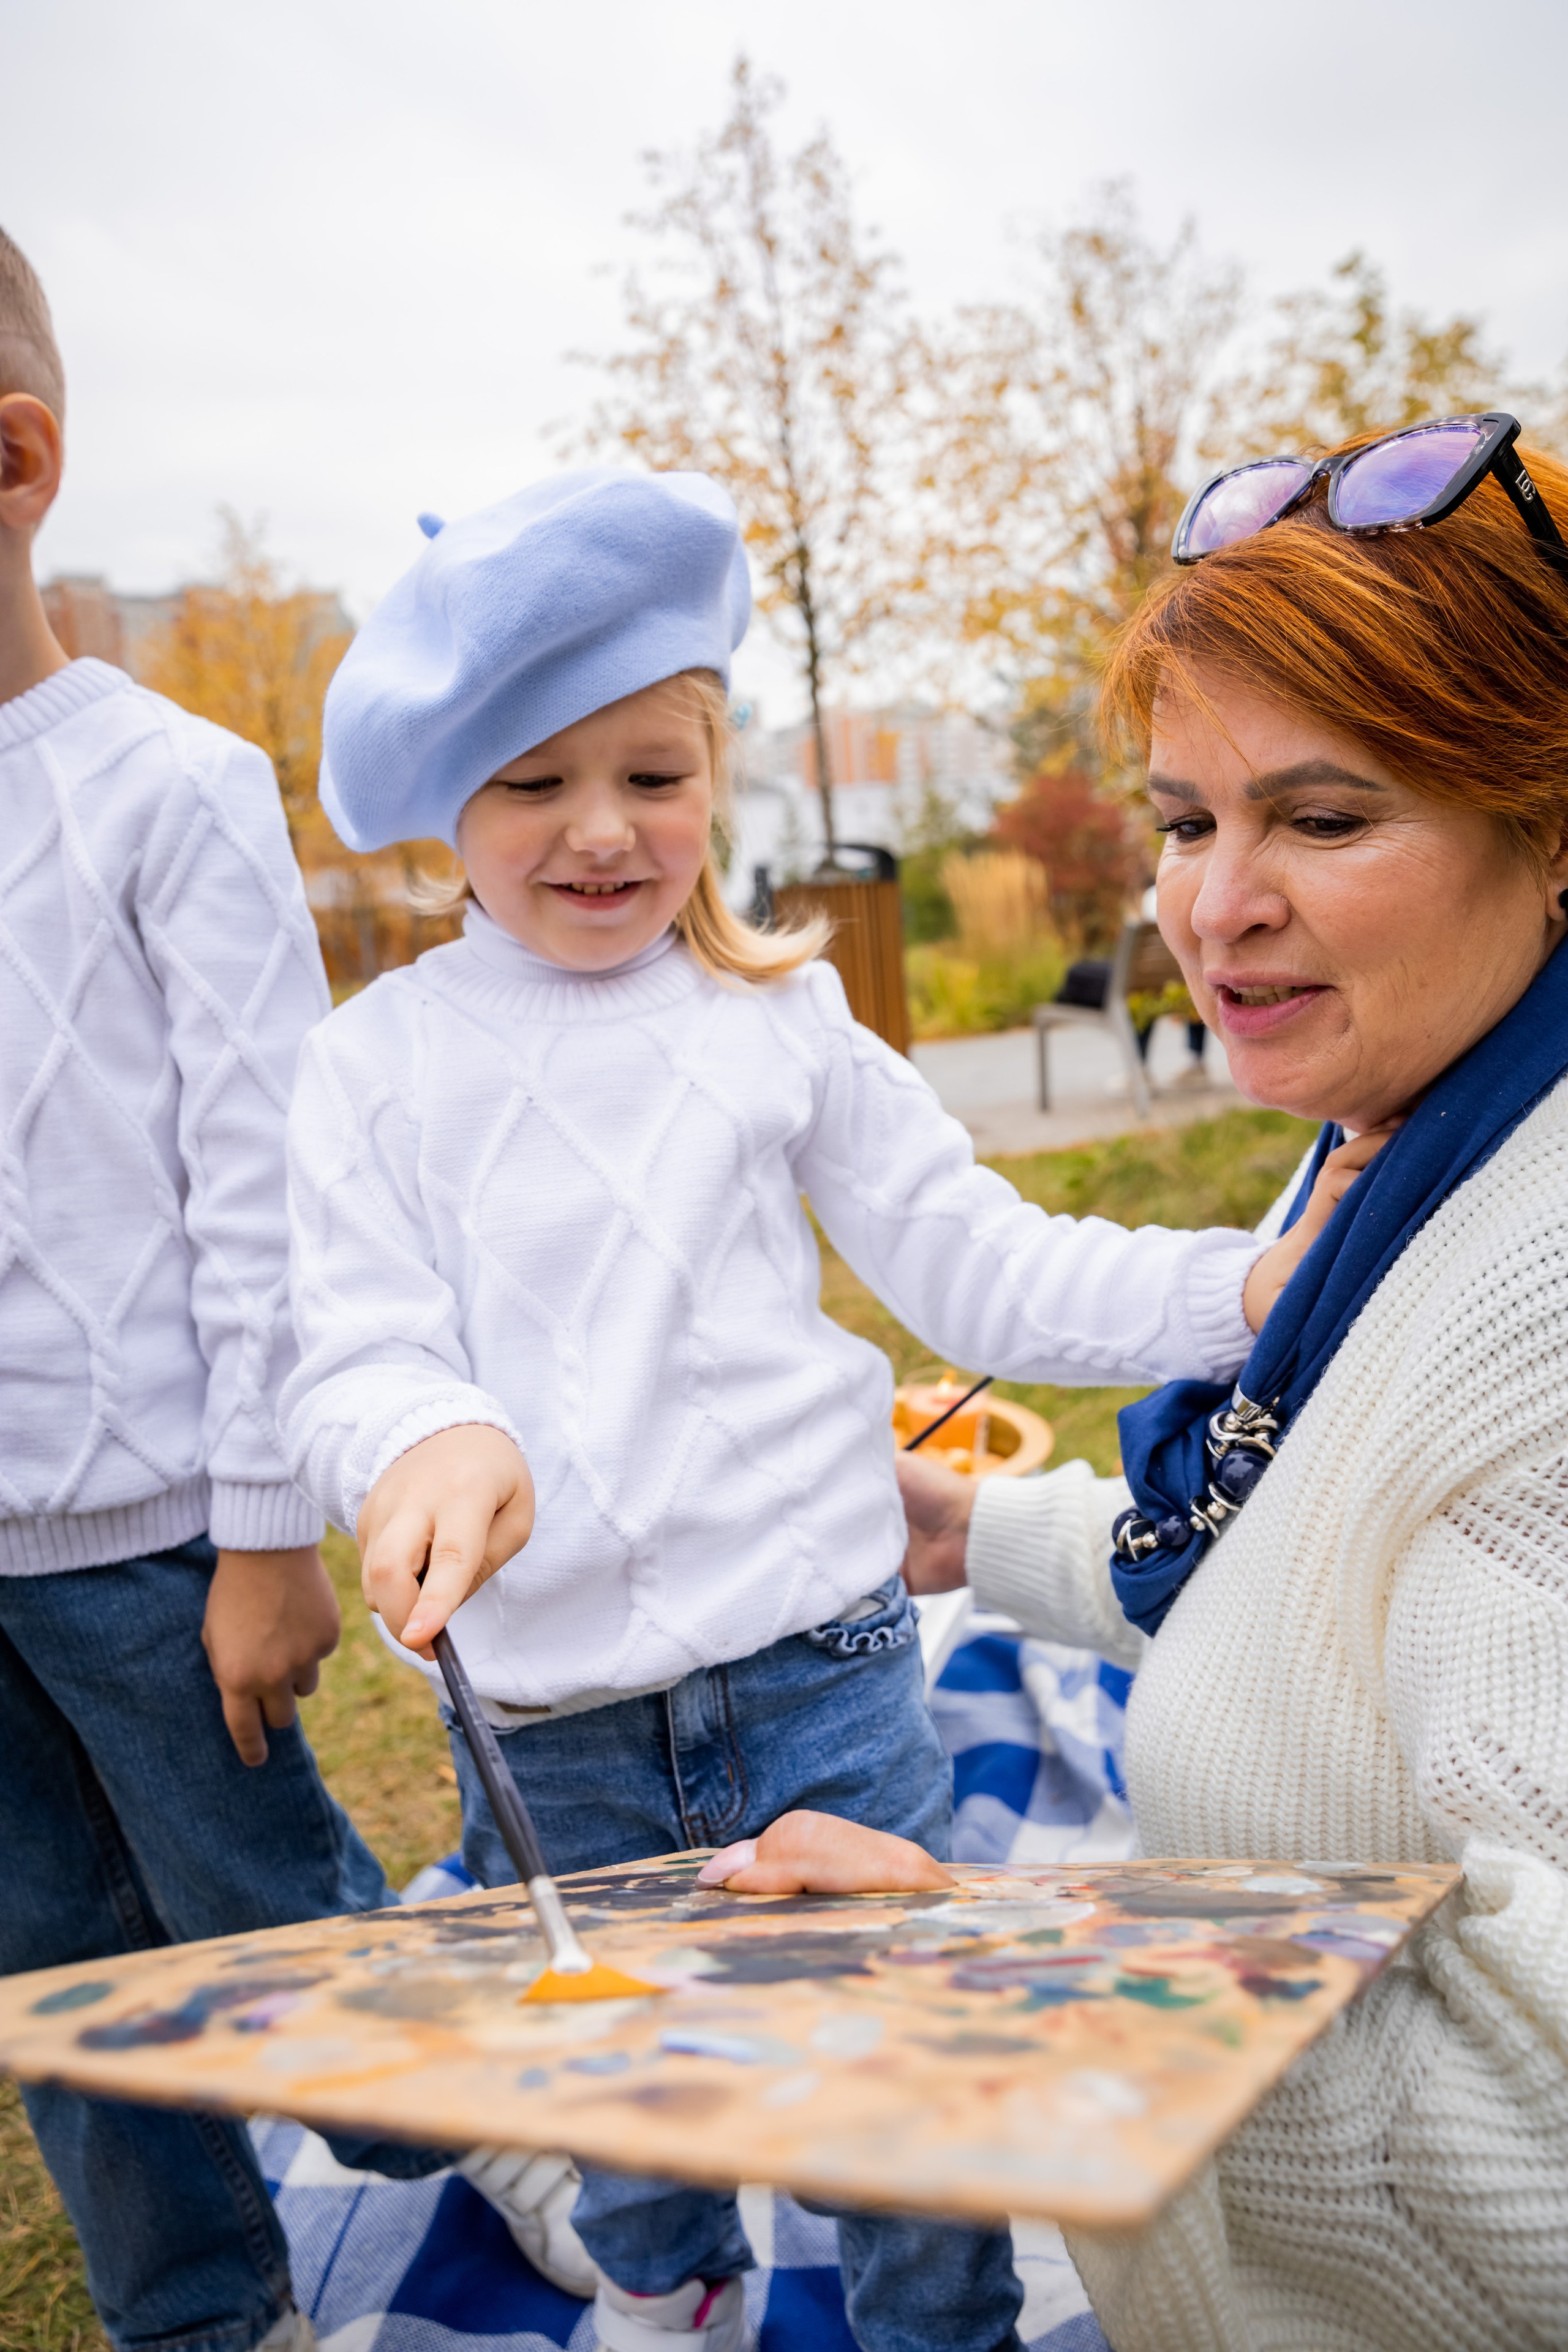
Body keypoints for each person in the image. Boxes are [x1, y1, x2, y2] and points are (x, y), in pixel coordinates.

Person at [277, 468, 1335, 2352]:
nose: (604, 832)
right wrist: (426, 1434)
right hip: (557, 1731)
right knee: (634, 2100)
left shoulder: (783, 1019)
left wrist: (1235, 1292)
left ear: (718, 776)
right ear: (447, 803)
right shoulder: (372, 1067)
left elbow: (981, 1263)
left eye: (654, 777)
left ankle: (944, 2330)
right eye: (537, 784)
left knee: (902, 2106)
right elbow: (351, 1349)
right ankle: (668, 2281)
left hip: (830, 1674)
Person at [729, 415, 1568, 2352]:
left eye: (1328, 818)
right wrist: (982, 1532)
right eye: (1190, 820)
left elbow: (1537, 2137)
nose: (1214, 908)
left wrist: (1002, 1976)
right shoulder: (1401, 1116)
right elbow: (1300, 1540)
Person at [0, 225, 454, 2352]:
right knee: (53, 1994)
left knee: (268, 1931)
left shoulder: (166, 788)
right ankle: (209, 2318)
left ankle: (482, 2141)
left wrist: (273, 1533)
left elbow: (261, 1190)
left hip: (159, 1542)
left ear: (18, 457)